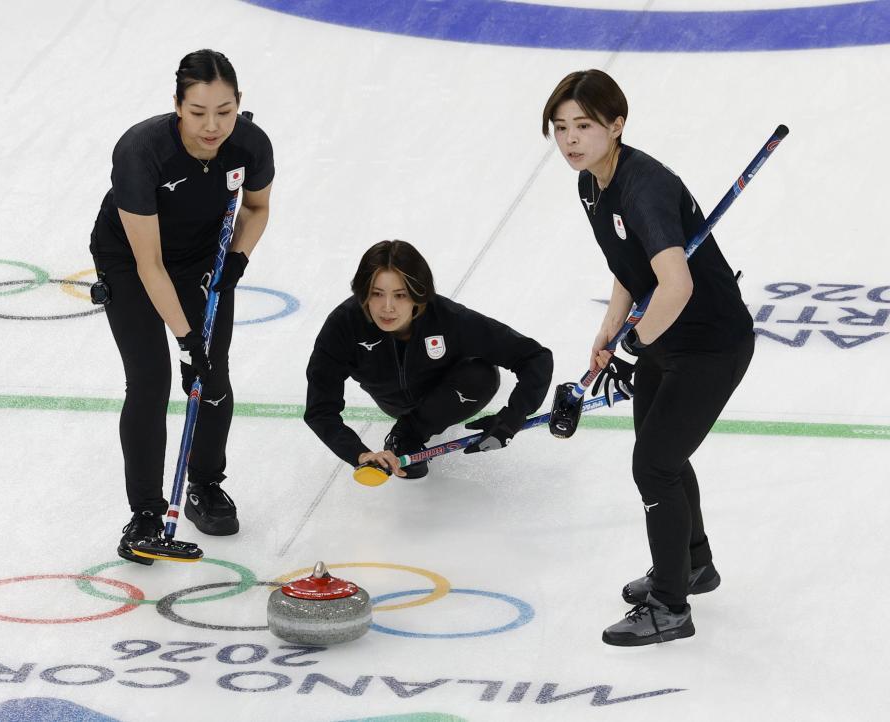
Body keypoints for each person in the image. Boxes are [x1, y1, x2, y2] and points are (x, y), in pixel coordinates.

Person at [542, 69, 754, 646]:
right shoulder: (591, 182)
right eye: (560, 128)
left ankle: (670, 607)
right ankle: (691, 565)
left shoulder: (644, 187)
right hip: (667, 337)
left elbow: (676, 283)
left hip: (709, 344)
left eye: (584, 126)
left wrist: (637, 343)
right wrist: (609, 331)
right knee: (662, 454)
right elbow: (627, 266)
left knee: (654, 465)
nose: (570, 140)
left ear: (617, 124)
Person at [89, 49, 274, 564]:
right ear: (176, 105)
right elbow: (149, 264)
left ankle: (205, 486)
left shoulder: (251, 145)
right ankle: (146, 515)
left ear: (239, 104)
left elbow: (257, 208)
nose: (213, 125)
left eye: (225, 111)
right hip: (130, 259)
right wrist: (186, 337)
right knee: (150, 380)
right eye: (197, 113)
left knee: (211, 377)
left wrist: (238, 257)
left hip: (202, 258)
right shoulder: (141, 152)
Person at [305, 240, 553, 478]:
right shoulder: (343, 326)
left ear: (418, 294)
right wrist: (359, 454)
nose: (387, 307)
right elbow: (320, 409)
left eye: (400, 295)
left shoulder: (447, 318)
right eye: (377, 294)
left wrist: (513, 416)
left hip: (453, 393)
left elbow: (535, 356)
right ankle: (406, 433)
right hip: (393, 402)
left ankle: (409, 431)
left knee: (482, 375)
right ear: (363, 293)